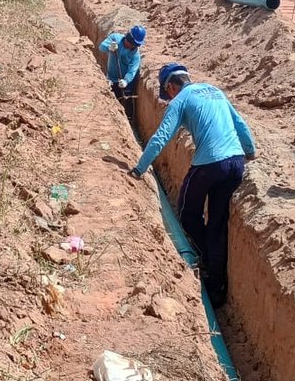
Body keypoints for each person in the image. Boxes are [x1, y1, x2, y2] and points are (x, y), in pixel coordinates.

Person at [128, 63, 256, 307]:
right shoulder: (214, 91)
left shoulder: (181, 100)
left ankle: (204, 256)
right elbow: (239, 123)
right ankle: (216, 287)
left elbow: (161, 137)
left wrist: (139, 169)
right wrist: (249, 152)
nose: (169, 98)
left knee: (187, 212)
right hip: (235, 163)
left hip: (209, 165)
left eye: (169, 94)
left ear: (172, 86)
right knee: (218, 224)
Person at [98, 25, 147, 120]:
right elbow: (101, 47)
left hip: (127, 82)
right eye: (133, 43)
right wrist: (109, 47)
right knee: (113, 99)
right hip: (112, 78)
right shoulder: (115, 38)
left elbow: (132, 71)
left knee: (127, 100)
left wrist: (126, 81)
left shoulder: (135, 56)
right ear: (128, 37)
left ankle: (129, 120)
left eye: (137, 45)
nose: (134, 46)